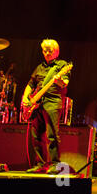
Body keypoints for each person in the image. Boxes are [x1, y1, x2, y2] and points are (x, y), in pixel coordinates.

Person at [21, 39, 71, 174]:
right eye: (45, 51)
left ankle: (55, 163)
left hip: (53, 102)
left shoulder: (62, 65)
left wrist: (58, 80)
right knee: (36, 134)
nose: (47, 53)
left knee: (52, 134)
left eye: (50, 51)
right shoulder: (40, 67)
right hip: (37, 104)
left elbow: (64, 83)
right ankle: (40, 164)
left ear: (56, 52)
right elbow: (31, 84)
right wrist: (26, 98)